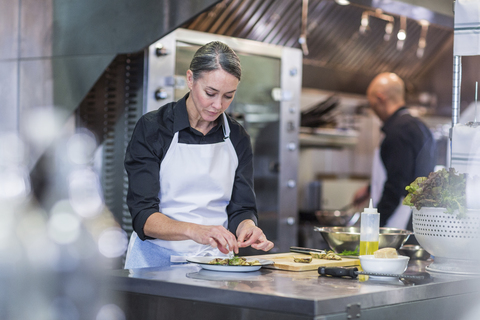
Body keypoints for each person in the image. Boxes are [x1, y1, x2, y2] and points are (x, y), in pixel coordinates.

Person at [123, 41, 274, 268]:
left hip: (216, 264)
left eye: (228, 96)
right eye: (210, 93)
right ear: (190, 79)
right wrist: (195, 231)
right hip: (155, 263)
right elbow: (143, 216)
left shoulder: (237, 136)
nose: (217, 105)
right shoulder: (154, 128)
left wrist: (247, 228)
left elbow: (241, 208)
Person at [354, 72, 436, 230]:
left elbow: (396, 185)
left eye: (372, 104)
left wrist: (373, 225)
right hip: (418, 221)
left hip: (398, 225)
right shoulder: (419, 127)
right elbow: (406, 171)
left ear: (380, 98)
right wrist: (370, 188)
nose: (373, 111)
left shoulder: (398, 132)